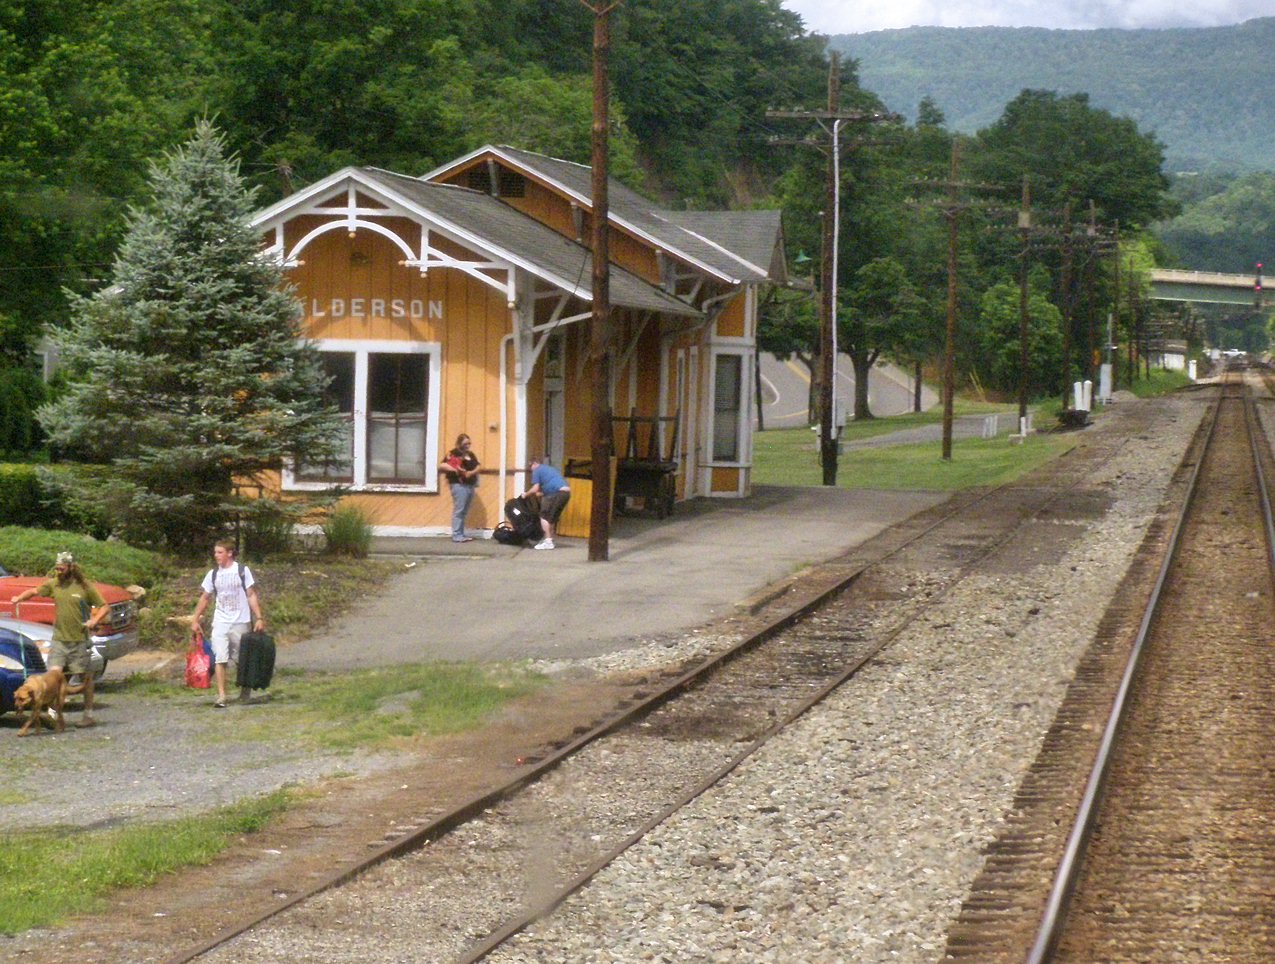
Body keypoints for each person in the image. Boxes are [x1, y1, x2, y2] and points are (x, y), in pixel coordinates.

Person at [9, 551, 111, 728]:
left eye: (62, 568)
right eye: (57, 568)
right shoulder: (54, 584)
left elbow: (104, 606)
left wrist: (94, 620)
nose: (59, 571)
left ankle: (88, 715)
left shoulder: (84, 586)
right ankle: (52, 713)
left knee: (85, 678)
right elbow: (34, 591)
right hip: (59, 640)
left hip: (79, 640)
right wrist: (19, 598)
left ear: (71, 567)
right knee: (53, 676)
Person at [191, 540, 265, 708]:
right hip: (221, 620)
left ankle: (245, 692)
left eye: (219, 552)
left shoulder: (241, 571)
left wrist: (259, 617)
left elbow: (251, 594)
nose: (216, 555)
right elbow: (205, 597)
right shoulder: (213, 574)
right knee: (220, 657)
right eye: (215, 552)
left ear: (229, 553)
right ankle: (222, 695)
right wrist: (195, 619)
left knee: (242, 658)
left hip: (241, 620)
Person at [522, 455, 571, 550]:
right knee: (552, 518)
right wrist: (541, 493)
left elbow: (535, 488)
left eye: (530, 466)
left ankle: (548, 541)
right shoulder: (549, 469)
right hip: (566, 493)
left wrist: (526, 494)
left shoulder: (537, 470)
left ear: (535, 463)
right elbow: (551, 486)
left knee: (543, 516)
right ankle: (550, 540)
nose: (531, 469)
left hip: (557, 493)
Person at [440, 433, 481, 542]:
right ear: (460, 443)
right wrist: (456, 470)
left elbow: (478, 466)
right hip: (458, 485)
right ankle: (457, 535)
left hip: (470, 484)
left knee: (464, 510)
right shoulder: (453, 453)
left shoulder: (470, 454)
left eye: (469, 443)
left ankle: (461, 534)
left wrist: (471, 473)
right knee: (459, 510)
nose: (468, 445)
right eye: (465, 443)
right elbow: (443, 465)